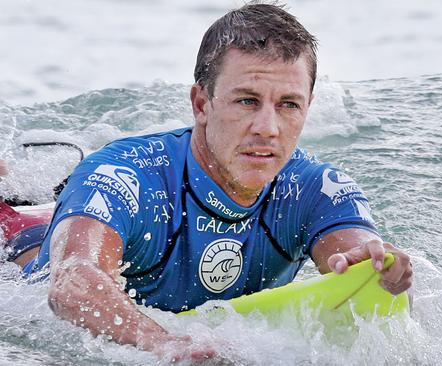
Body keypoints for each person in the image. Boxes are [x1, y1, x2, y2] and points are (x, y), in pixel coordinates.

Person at [2, 3, 412, 362]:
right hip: (38, 276)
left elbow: (356, 252)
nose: (268, 128)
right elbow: (73, 283)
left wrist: (377, 268)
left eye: (288, 105)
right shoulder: (126, 175)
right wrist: (163, 344)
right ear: (201, 103)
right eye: (247, 101)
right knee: (19, 231)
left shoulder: (317, 189)